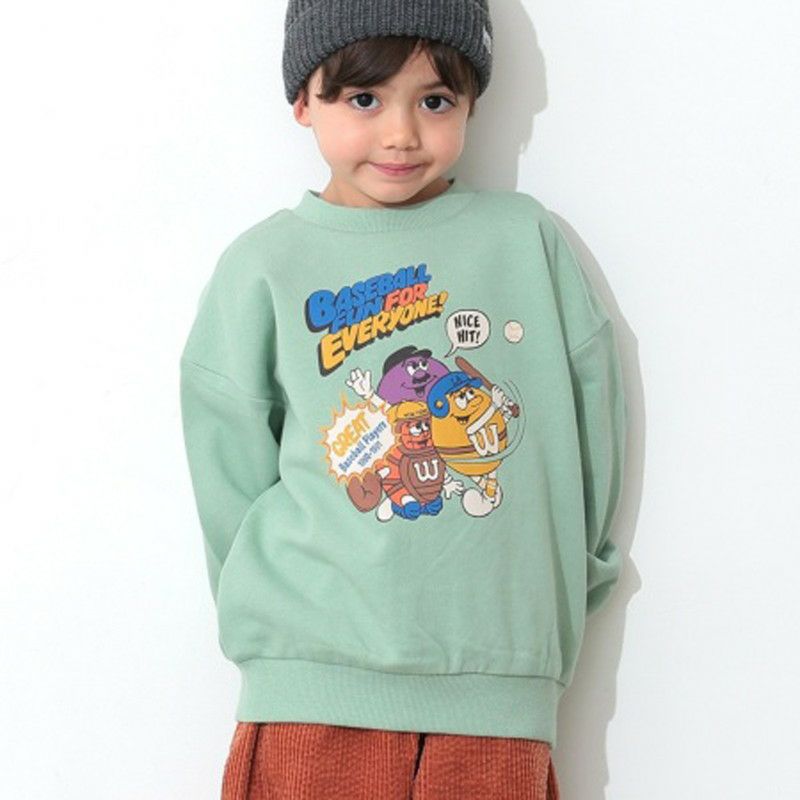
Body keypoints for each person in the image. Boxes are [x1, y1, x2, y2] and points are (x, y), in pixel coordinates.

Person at [179, 1, 628, 797]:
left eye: (435, 100)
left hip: (498, 694)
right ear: (303, 99)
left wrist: (561, 584)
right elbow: (228, 478)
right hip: (308, 693)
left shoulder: (523, 240)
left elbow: (591, 426)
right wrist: (275, 627)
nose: (401, 134)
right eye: (364, 98)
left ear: (473, 102)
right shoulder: (264, 265)